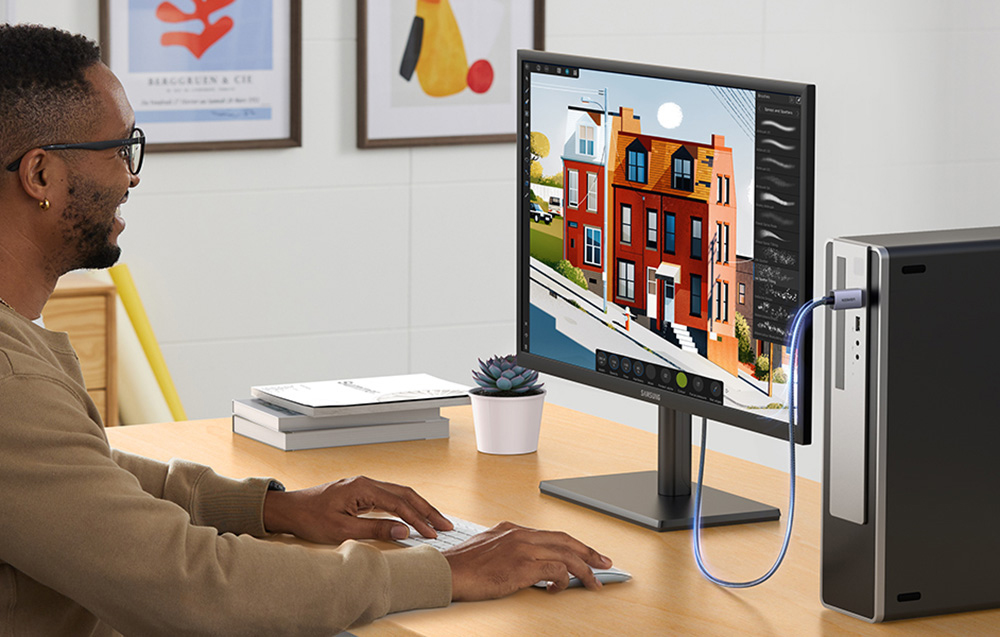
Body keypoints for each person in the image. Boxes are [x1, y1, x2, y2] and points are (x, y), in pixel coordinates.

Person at [0, 24, 613, 636]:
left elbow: (86, 480)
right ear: (40, 175)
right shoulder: (12, 382)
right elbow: (192, 586)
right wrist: (446, 570)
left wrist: (276, 507)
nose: (132, 177)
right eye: (119, 149)